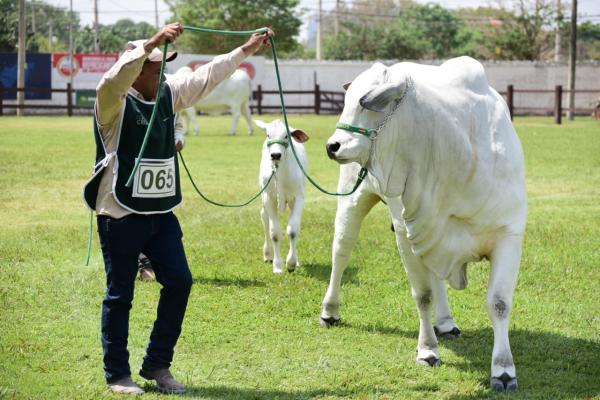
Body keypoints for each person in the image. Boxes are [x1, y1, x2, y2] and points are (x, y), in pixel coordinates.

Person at [83, 22, 273, 395]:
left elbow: (207, 76)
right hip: (119, 212)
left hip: (160, 213)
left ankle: (157, 364)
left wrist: (247, 49)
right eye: (155, 66)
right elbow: (112, 80)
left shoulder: (169, 95)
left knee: (180, 281)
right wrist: (150, 43)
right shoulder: (112, 102)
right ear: (136, 70)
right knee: (120, 293)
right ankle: (117, 374)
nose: (163, 72)